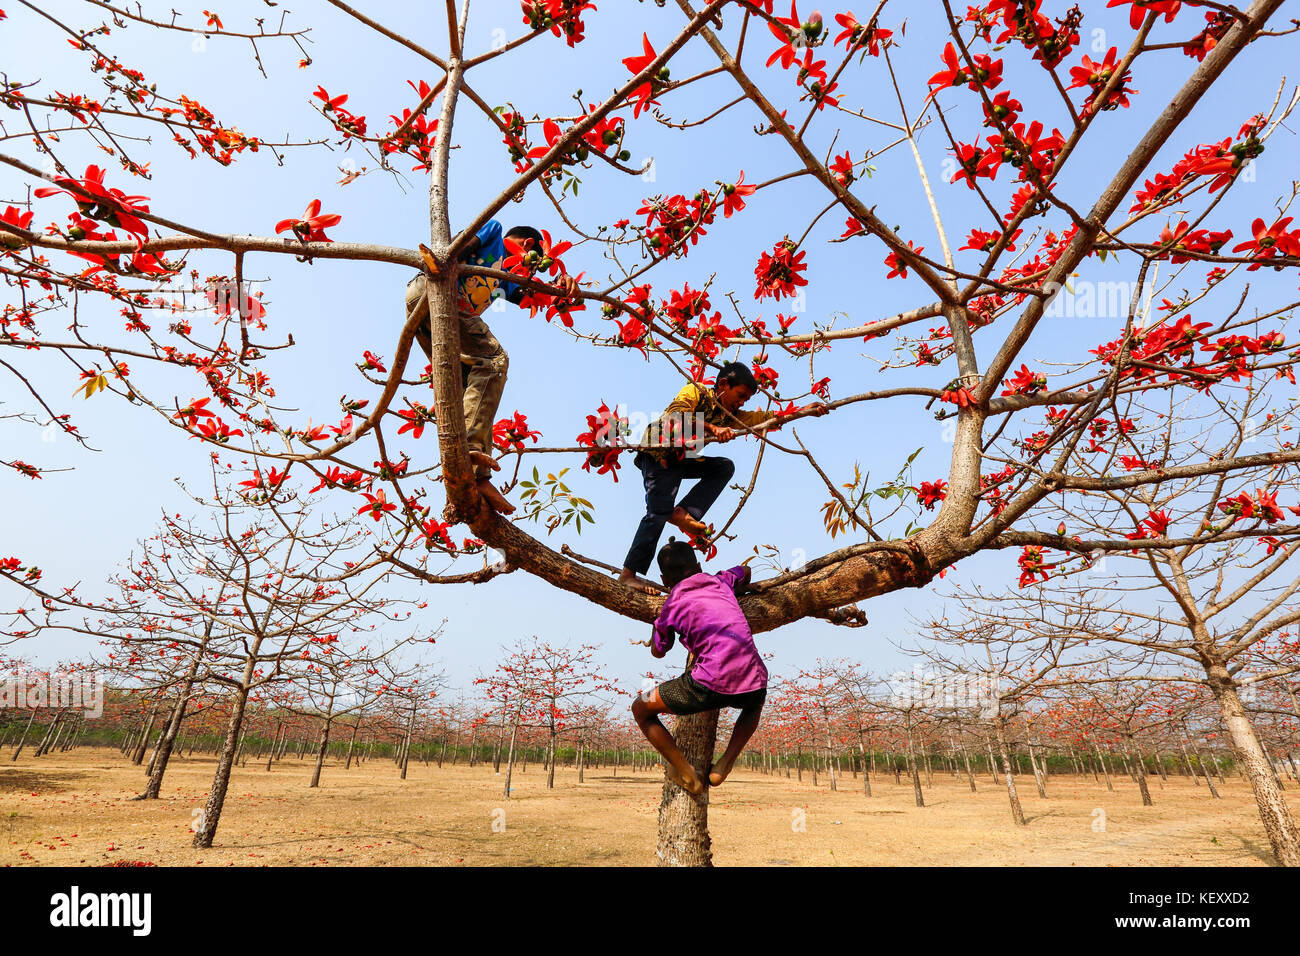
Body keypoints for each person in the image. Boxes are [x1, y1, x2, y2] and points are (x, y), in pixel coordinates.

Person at [406, 220, 576, 515]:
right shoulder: (495, 232)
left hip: (421, 305)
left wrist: (561, 287)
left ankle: (473, 478)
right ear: (528, 246)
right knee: (495, 361)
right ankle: (468, 457)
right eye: (531, 260)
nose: (528, 269)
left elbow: (530, 296)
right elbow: (456, 247)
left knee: (464, 386)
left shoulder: (505, 279)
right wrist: (445, 266)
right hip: (434, 291)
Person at [618, 362, 828, 590]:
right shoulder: (695, 391)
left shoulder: (730, 415)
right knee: (658, 512)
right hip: (658, 450)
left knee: (724, 467)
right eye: (740, 395)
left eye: (746, 399)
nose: (742, 402)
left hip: (680, 459)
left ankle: (683, 512)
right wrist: (713, 428)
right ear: (723, 384)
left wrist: (802, 411)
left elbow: (766, 419)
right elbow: (676, 418)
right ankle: (628, 575)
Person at [631, 538, 768, 796]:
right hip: (753, 678)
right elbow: (746, 570)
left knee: (641, 708)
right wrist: (736, 586)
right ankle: (724, 764)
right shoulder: (721, 580)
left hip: (706, 684)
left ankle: (686, 771)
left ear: (663, 580)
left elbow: (658, 651)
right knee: (755, 702)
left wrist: (656, 623)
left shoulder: (669, 607)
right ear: (699, 565)